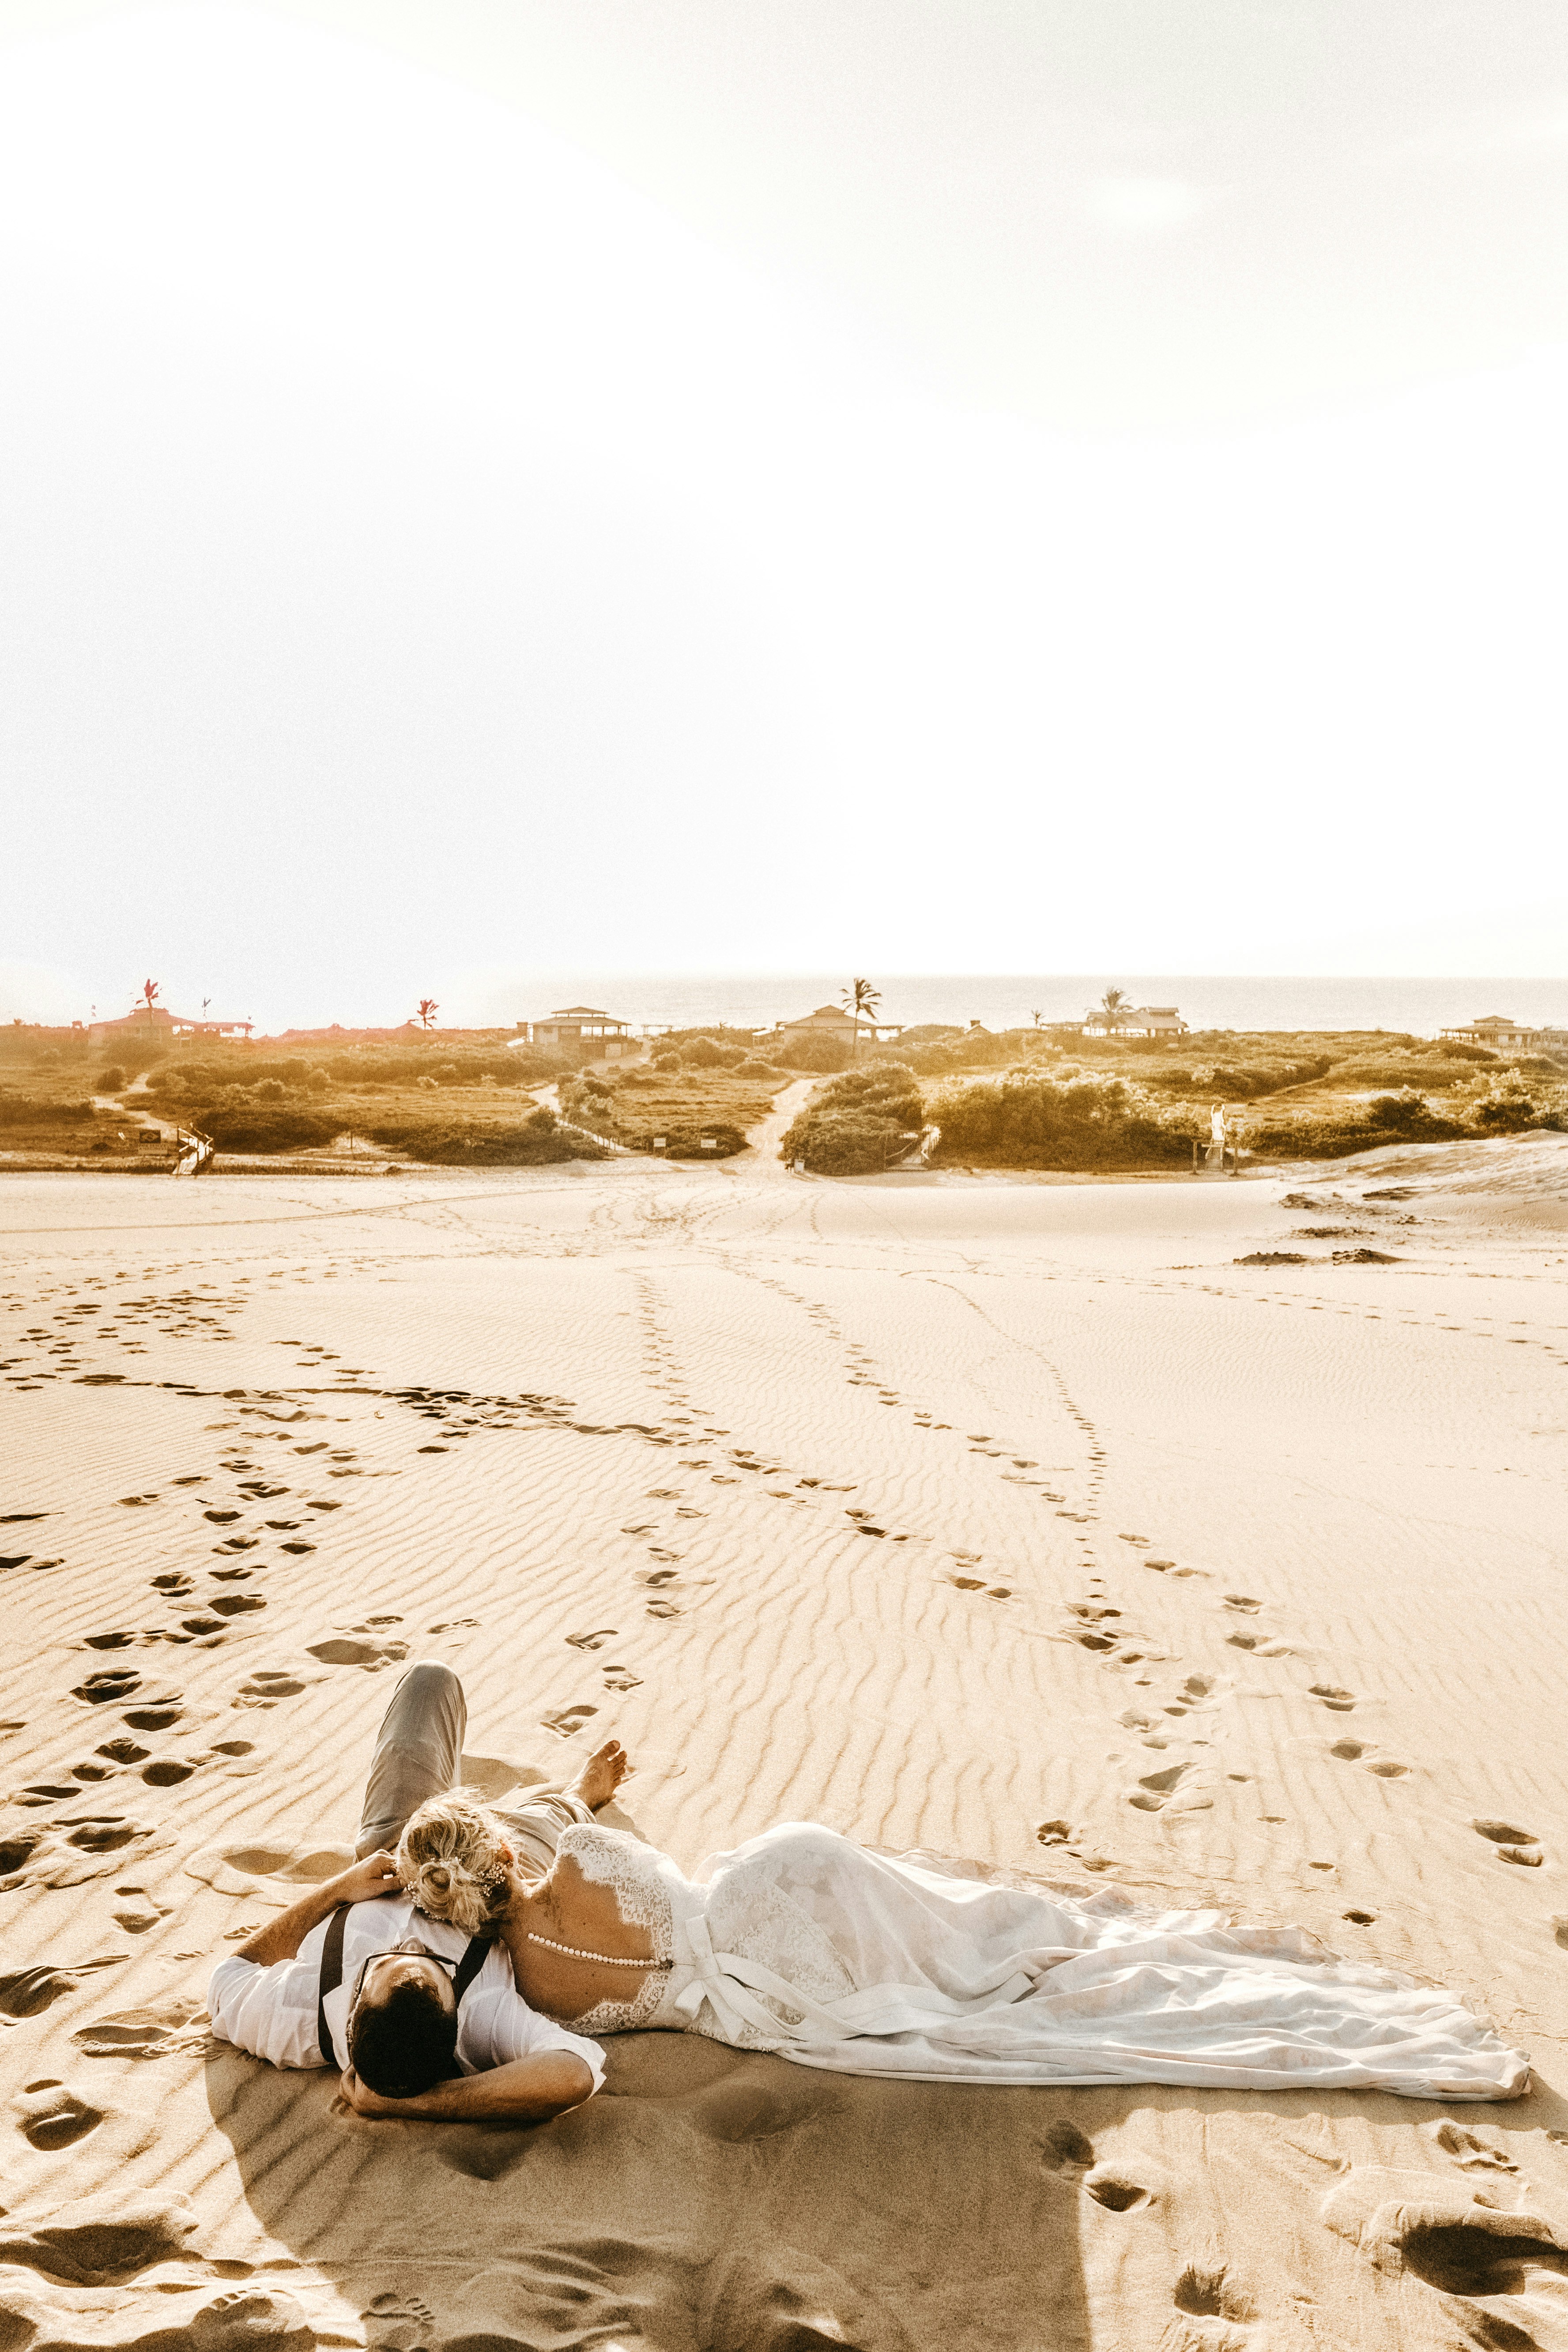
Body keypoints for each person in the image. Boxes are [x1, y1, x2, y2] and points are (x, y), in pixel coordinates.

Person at [291, 1668, 1527, 2122]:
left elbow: (552, 2068)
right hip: (785, 1879)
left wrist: (402, 2091)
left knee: (962, 1986)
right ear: (501, 1858)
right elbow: (582, 1832)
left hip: (758, 1991)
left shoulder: (525, 1987)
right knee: (981, 1939)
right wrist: (588, 1793)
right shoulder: (567, 1849)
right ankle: (1018, 1946)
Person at [207, 1662, 629, 2121]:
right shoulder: (484, 2018)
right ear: (456, 2021)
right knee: (550, 1819)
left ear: (351, 2016)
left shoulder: (298, 2015)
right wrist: (426, 2104)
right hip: (495, 1884)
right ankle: (578, 1796)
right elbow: (576, 2072)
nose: (408, 1940)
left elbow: (230, 1977)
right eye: (435, 1966)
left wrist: (337, 1890)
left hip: (397, 1849)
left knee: (432, 1681)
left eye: (383, 1963)